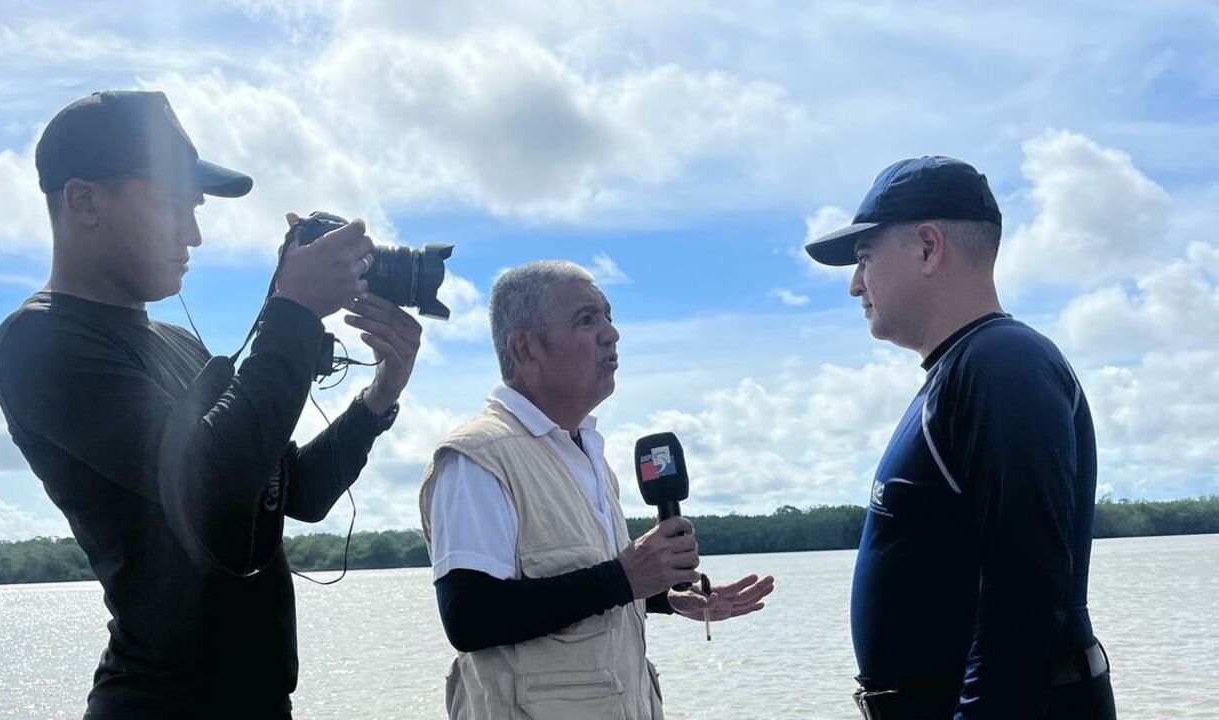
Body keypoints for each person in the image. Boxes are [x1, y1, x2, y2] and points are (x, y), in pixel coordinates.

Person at [0, 90, 422, 719]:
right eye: (170, 206)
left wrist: (380, 395)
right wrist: (293, 314)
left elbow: (291, 491)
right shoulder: (41, 340)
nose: (192, 234)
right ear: (84, 200)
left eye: (193, 210)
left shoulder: (179, 343)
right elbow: (214, 480)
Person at [804, 156, 1116, 719]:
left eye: (864, 257)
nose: (855, 284)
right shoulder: (963, 370)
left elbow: (1024, 601)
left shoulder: (1001, 364)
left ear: (927, 247)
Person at [418, 261, 775, 719]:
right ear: (526, 349)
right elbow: (471, 617)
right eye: (587, 320)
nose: (612, 334)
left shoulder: (588, 453)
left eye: (608, 316)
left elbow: (587, 580)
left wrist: (665, 595)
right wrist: (625, 578)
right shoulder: (478, 458)